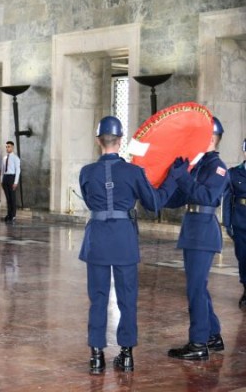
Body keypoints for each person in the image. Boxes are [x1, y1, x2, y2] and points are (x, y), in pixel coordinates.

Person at [79, 116, 183, 374]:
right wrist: (173, 177)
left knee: (98, 298)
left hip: (98, 241)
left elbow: (90, 201)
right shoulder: (134, 173)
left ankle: (96, 356)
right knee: (127, 298)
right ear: (121, 141)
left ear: (98, 141)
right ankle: (126, 355)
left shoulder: (86, 172)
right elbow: (154, 202)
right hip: (124, 240)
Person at [165, 117, 229, 360]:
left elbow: (205, 195)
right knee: (198, 287)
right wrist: (159, 187)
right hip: (193, 231)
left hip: (203, 232)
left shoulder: (218, 167)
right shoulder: (199, 165)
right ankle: (212, 334)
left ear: (211, 139)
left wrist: (182, 177)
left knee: (194, 289)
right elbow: (180, 196)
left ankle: (198, 343)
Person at [223, 138, 246, 309]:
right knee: (243, 257)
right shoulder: (234, 173)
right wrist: (227, 222)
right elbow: (227, 199)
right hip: (240, 222)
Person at [1, 141, 20, 223]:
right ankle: (8, 214)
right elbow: (2, 170)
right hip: (5, 178)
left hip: (12, 177)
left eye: (9, 146)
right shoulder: (4, 158)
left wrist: (15, 182)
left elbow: (18, 170)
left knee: (12, 198)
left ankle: (13, 215)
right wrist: (2, 180)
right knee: (8, 198)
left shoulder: (16, 158)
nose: (7, 148)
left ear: (12, 148)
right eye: (6, 146)